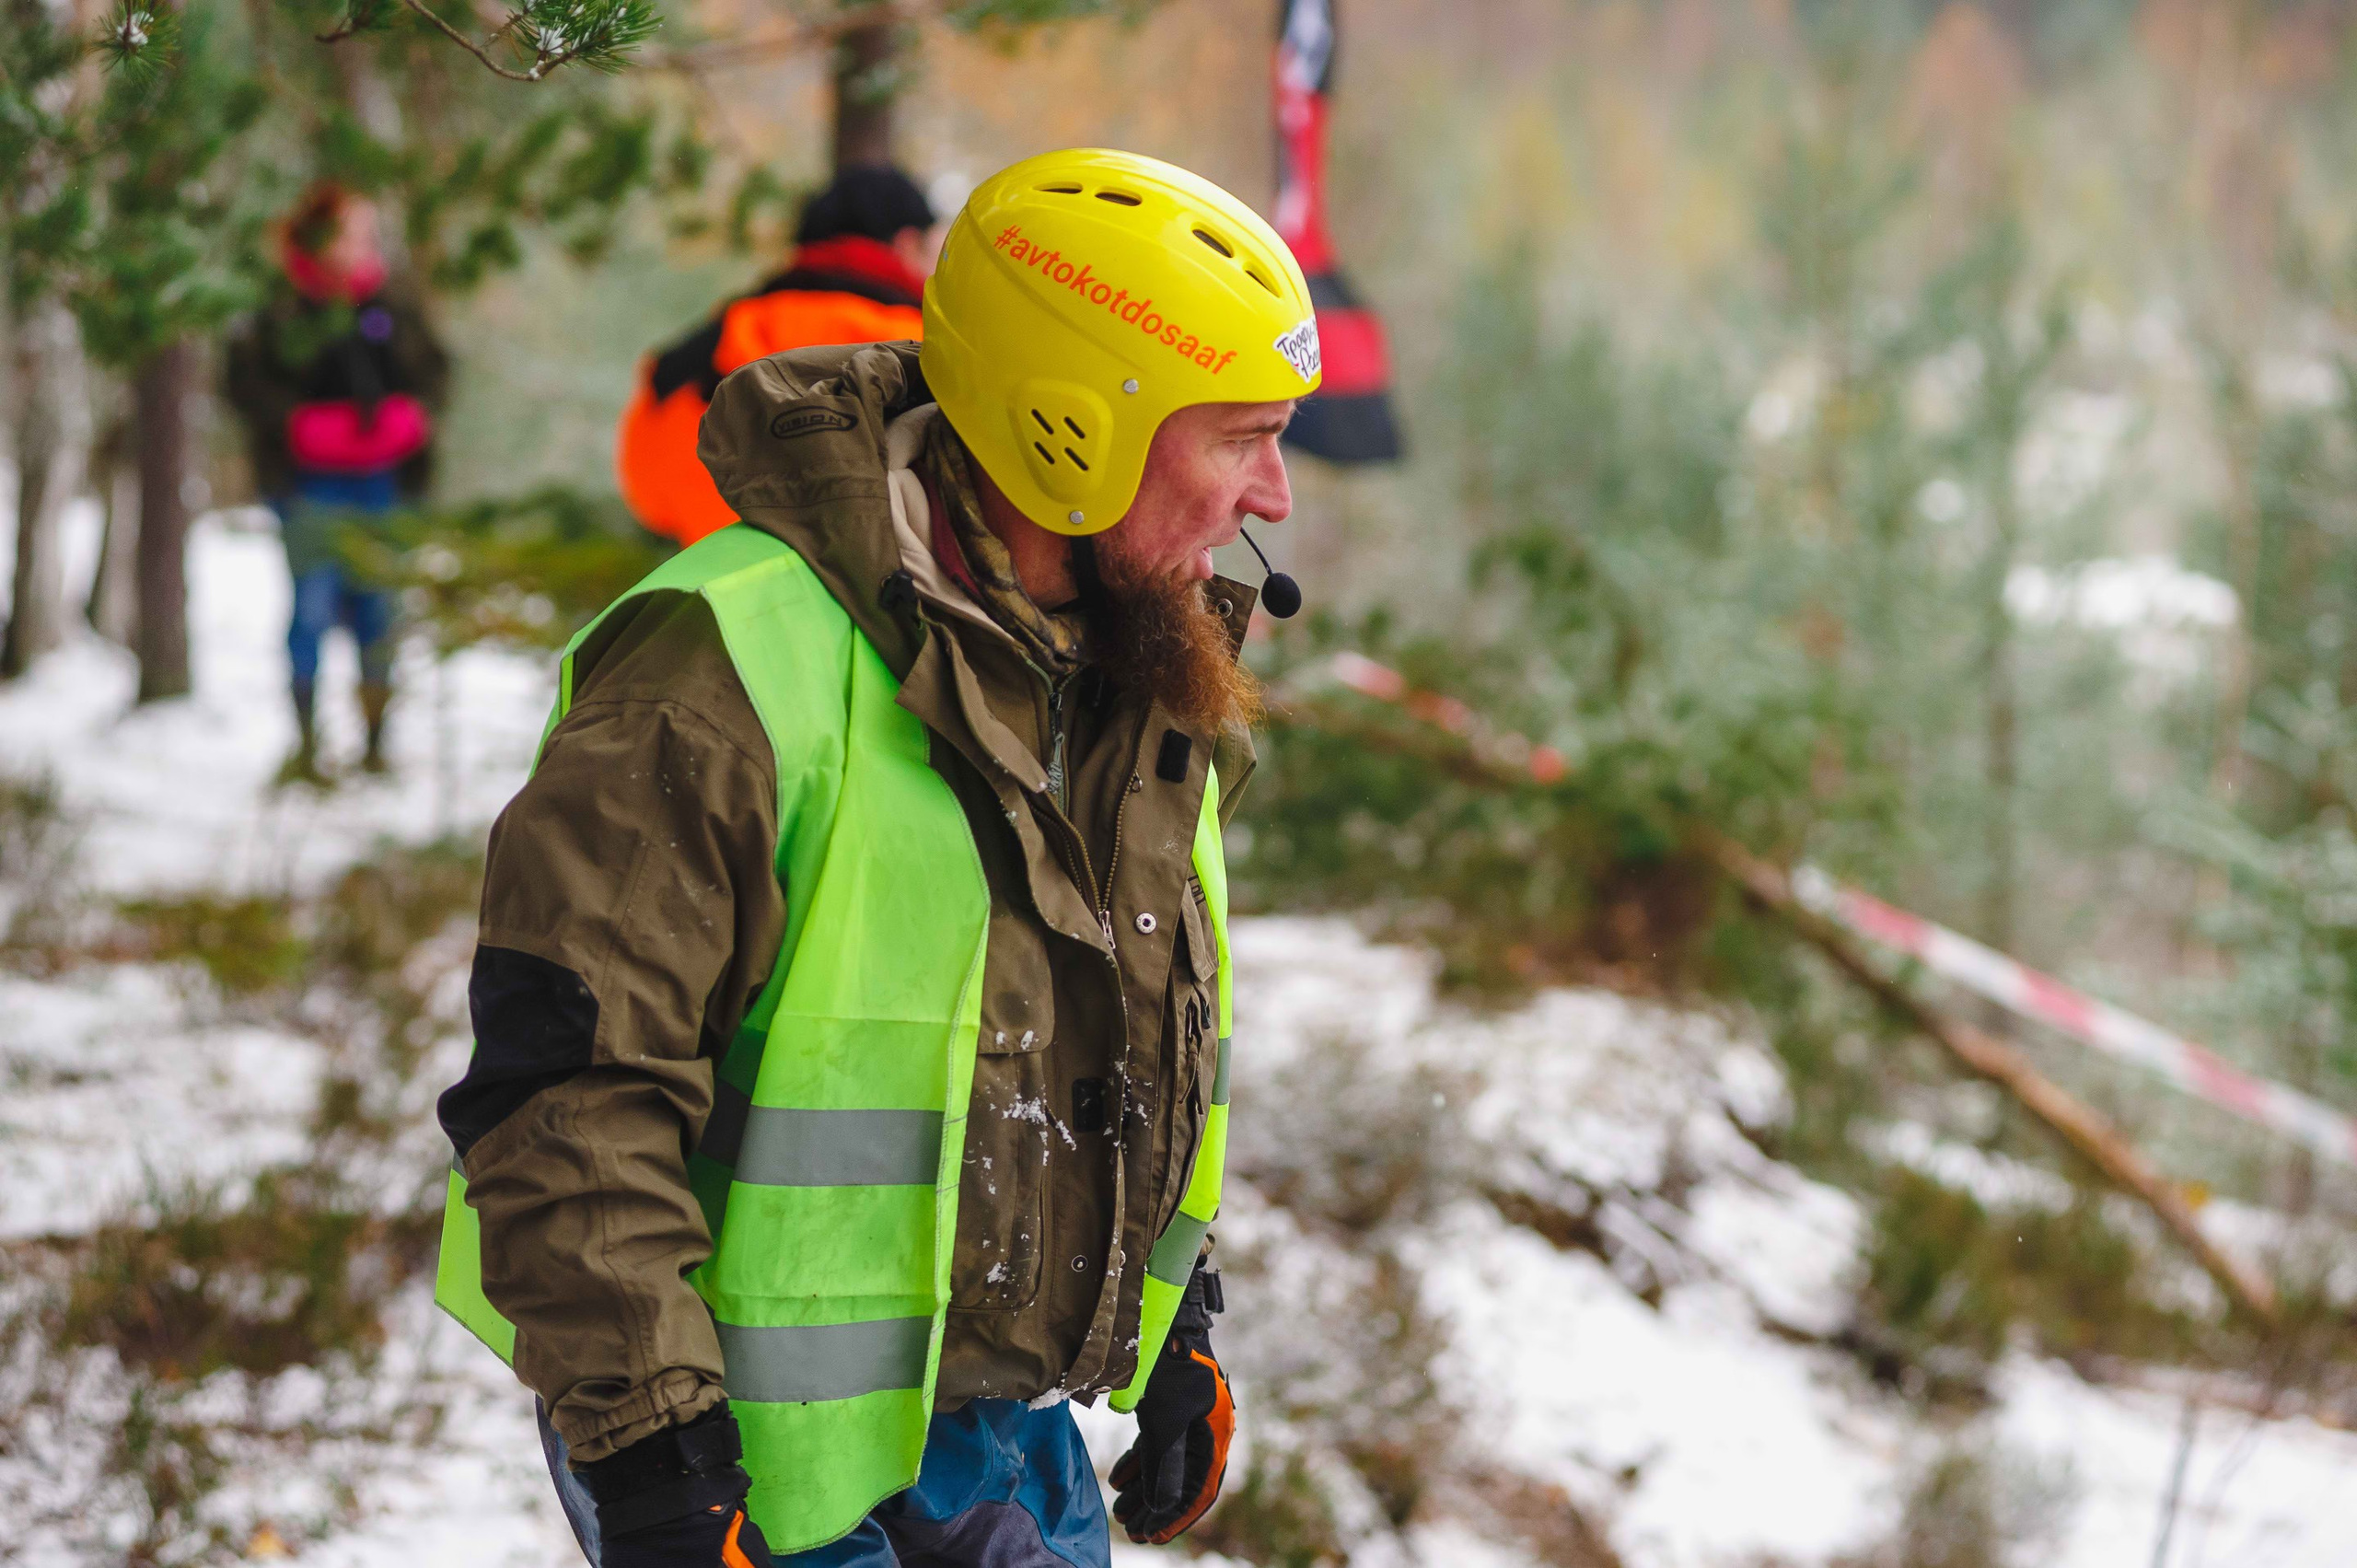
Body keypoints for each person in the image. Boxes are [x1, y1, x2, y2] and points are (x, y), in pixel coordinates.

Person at [433, 146, 1323, 1567]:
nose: (1271, 493)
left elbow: (1123, 1049)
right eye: (1238, 436)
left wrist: (1173, 1329)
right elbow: (567, 1088)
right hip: (751, 1459)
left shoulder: (1143, 683)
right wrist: (657, 1456)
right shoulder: (722, 662)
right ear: (1069, 429)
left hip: (1003, 1428)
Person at [225, 184, 447, 783]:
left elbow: (436, 371)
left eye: (368, 233)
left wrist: (411, 418)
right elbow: (245, 385)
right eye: (352, 232)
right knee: (312, 610)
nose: (364, 246)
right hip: (310, 487)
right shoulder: (281, 310)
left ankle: (376, 744)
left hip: (384, 484)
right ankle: (305, 748)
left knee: (380, 611)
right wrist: (301, 427)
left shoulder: (393, 303)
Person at [615, 165, 940, 548]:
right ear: (907, 244)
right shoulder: (927, 351)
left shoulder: (700, 350)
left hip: (725, 591)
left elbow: (647, 490)